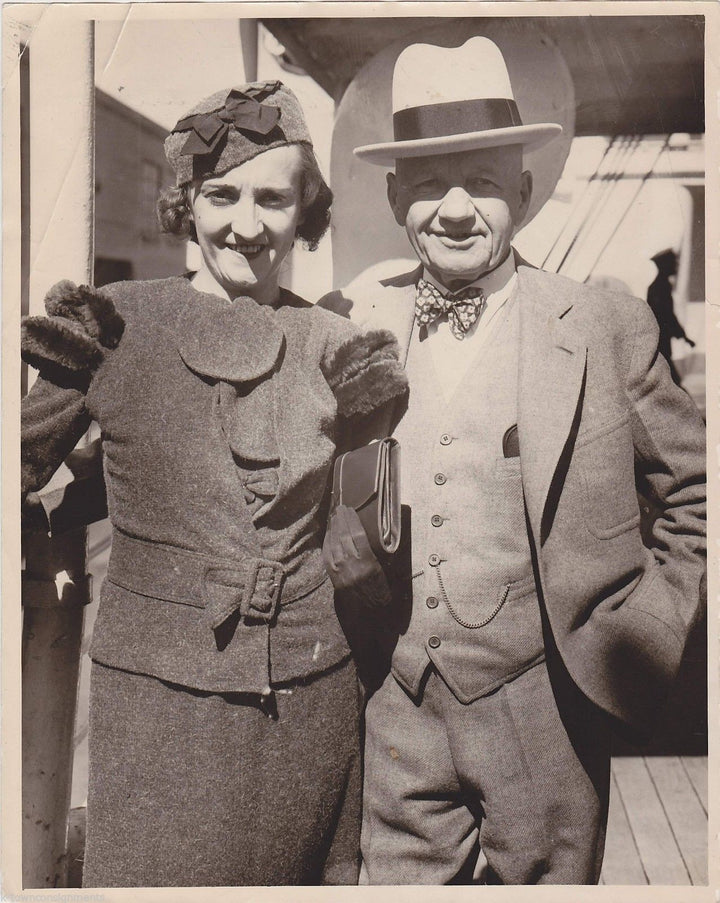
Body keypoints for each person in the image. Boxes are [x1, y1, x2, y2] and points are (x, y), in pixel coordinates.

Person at [320, 37, 706, 885]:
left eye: (483, 182)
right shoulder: (357, 323)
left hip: (551, 714)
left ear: (524, 194)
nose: (455, 209)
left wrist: (646, 625)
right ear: (394, 198)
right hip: (397, 706)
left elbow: (697, 490)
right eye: (427, 184)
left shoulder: (602, 323)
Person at [21, 80, 407, 887]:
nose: (247, 224)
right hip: (156, 712)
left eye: (274, 198)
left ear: (306, 208)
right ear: (186, 202)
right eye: (222, 194)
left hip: (307, 701)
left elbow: (378, 520)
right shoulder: (112, 324)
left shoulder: (339, 346)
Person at [646, 248, 695, 385]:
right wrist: (684, 336)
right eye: (673, 263)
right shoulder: (660, 288)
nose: (676, 266)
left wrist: (683, 336)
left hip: (662, 340)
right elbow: (666, 316)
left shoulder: (660, 286)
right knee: (672, 380)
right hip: (661, 340)